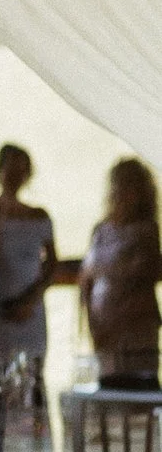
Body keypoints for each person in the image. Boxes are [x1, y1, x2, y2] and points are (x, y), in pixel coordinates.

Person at [0, 142, 56, 377]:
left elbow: (51, 264)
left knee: (29, 371)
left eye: (21, 171)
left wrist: (31, 299)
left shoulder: (39, 216)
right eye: (10, 170)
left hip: (29, 305)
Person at [81, 156, 162, 389]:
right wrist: (93, 324)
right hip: (104, 327)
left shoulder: (145, 230)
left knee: (138, 390)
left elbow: (141, 270)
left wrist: (105, 271)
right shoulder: (100, 230)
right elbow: (87, 277)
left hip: (135, 328)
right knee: (109, 389)